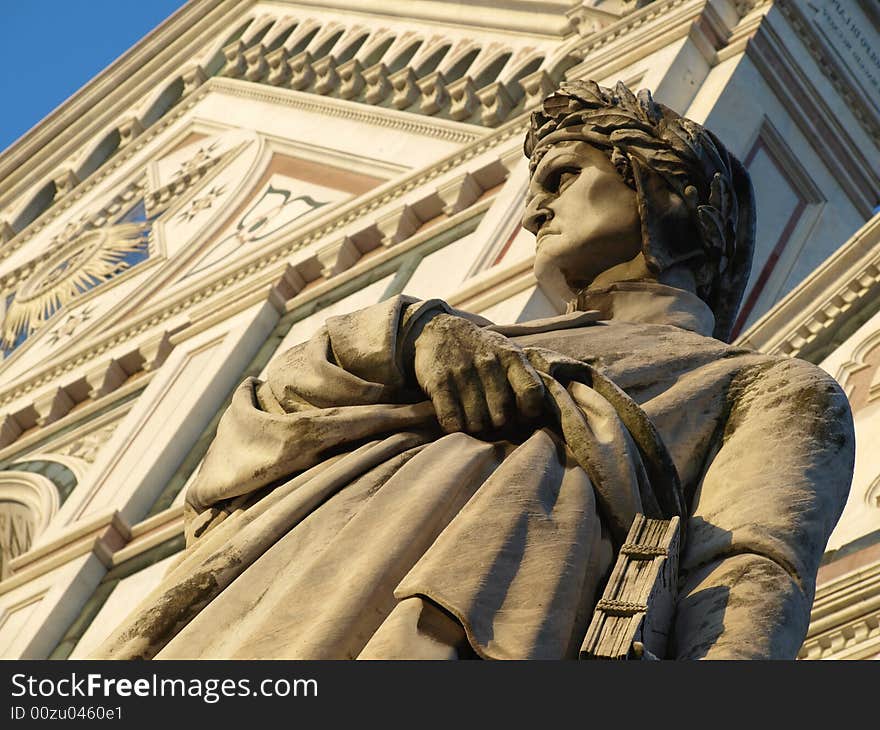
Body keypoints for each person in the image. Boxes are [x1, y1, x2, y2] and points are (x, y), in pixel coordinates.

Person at [94, 81, 854, 660]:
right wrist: (407, 336)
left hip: (480, 626)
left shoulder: (768, 387)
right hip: (280, 605)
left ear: (667, 189)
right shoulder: (439, 340)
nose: (534, 212)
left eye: (563, 177)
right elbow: (242, 461)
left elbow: (749, 578)